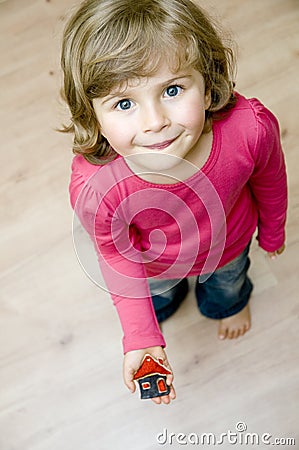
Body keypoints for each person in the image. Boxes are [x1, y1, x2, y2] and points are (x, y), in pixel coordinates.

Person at [60, 0, 287, 405]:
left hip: (228, 249)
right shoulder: (96, 186)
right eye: (124, 103)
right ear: (91, 115)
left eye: (172, 89)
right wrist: (140, 335)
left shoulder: (249, 129)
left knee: (228, 288)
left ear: (207, 80)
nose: (154, 122)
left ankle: (226, 306)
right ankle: (160, 310)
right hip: (154, 265)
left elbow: (270, 182)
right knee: (157, 300)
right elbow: (116, 253)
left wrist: (272, 232)